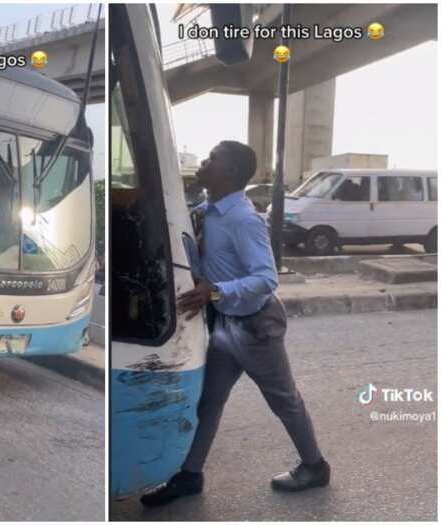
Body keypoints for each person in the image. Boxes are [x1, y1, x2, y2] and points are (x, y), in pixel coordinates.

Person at [140, 141, 328, 508]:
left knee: (285, 402)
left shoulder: (244, 220)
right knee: (209, 402)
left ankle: (315, 466)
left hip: (256, 327)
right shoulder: (205, 212)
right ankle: (190, 476)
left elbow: (267, 278)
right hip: (226, 323)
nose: (204, 163)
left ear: (229, 173)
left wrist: (215, 291)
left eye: (211, 159)